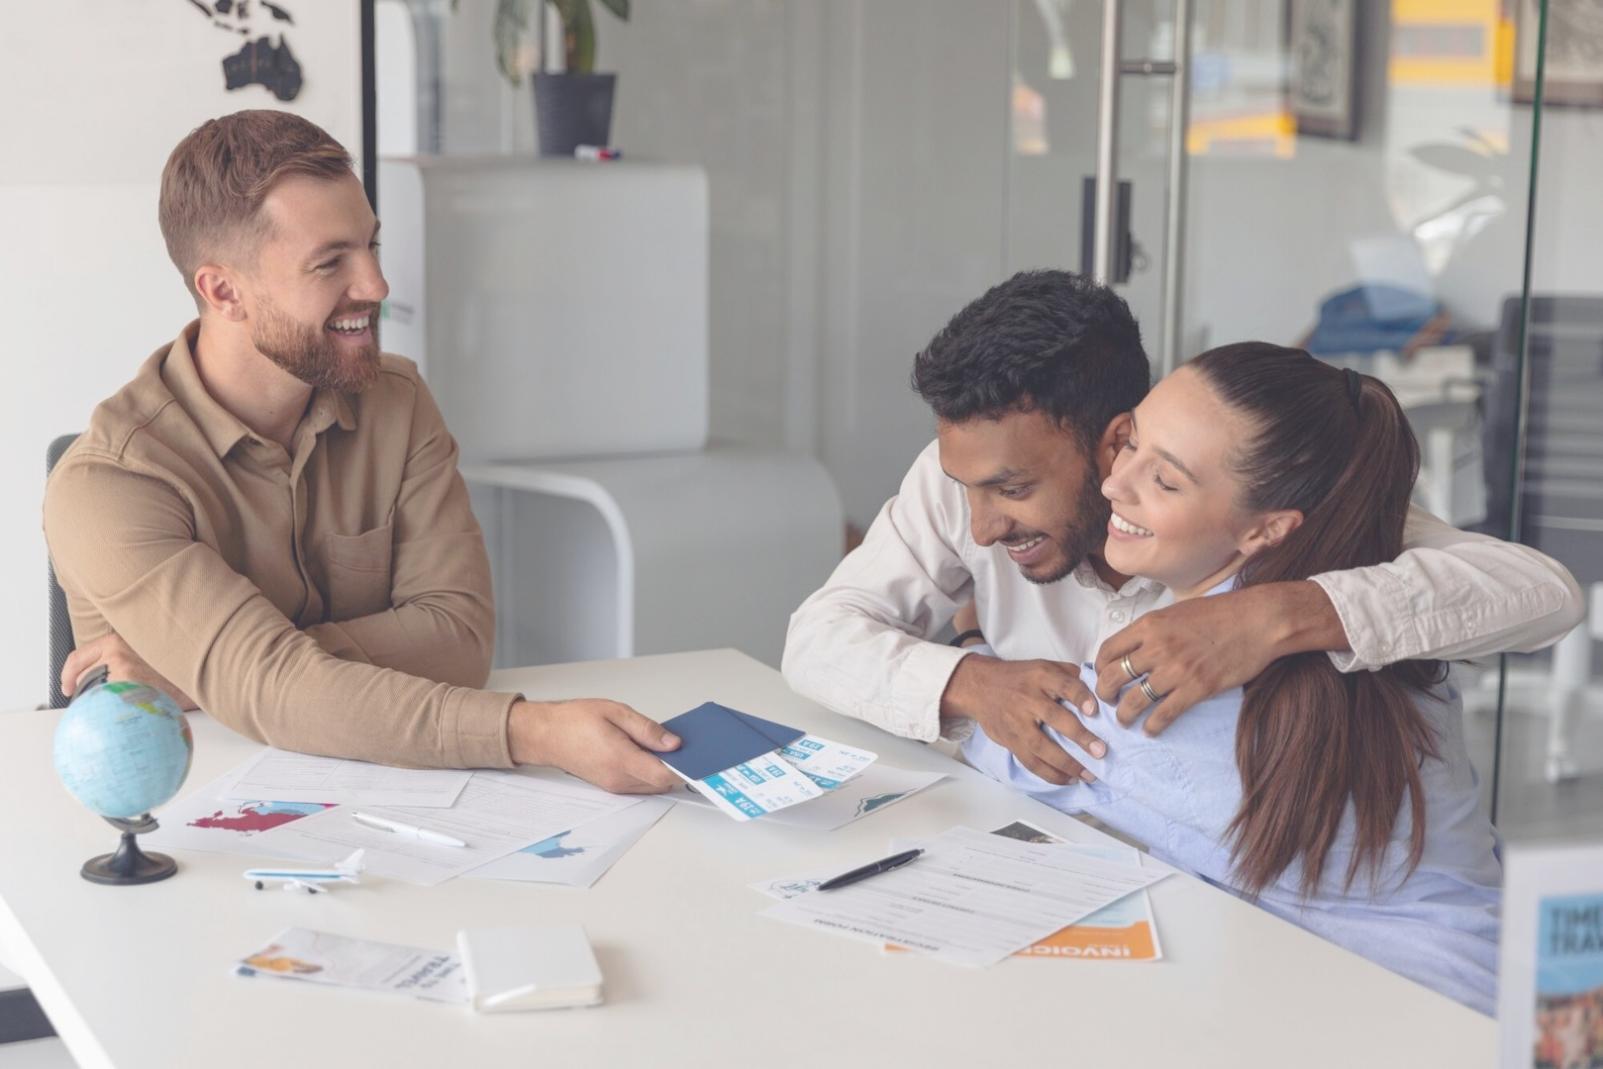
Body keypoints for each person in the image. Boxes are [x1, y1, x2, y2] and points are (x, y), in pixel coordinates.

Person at [42, 110, 679, 792]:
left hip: (392, 801)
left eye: (371, 246)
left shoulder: (395, 401)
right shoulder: (107, 485)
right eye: (331, 262)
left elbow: (460, 639)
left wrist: (221, 675)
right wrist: (535, 731)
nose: (375, 284)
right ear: (223, 290)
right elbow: (270, 684)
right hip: (191, 823)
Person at [782, 270, 1582, 784]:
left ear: (1114, 439)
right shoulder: (963, 481)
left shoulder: (1242, 501)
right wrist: (970, 683)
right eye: (966, 487)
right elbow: (817, 637)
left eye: (1013, 488)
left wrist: (1272, 614)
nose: (981, 526)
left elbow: (1542, 592)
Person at [966, 342, 1506, 1012]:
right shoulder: (1383, 619)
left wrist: (967, 639)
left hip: (1416, 1016)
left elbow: (1009, 743)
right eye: (1129, 443)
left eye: (1165, 482)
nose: (1112, 483)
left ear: (1266, 529)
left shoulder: (1193, 689)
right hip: (1463, 978)